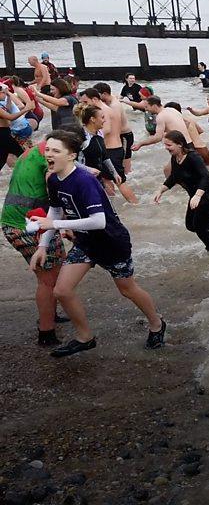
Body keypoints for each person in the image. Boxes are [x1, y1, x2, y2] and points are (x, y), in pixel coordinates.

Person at [31, 130, 165, 358]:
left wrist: (54, 223)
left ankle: (157, 323)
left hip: (112, 243)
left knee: (127, 289)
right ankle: (85, 337)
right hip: (85, 243)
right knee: (62, 290)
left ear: (72, 155)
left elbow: (99, 221)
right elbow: (55, 210)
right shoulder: (54, 179)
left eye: (56, 151)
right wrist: (43, 245)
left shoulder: (85, 181)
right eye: (48, 150)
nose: (49, 155)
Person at [2, 141, 65, 346]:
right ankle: (46, 332)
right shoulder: (51, 160)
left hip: (24, 220)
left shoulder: (33, 151)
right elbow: (56, 195)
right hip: (26, 224)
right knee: (47, 279)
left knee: (58, 268)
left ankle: (51, 314)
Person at [154, 130, 209, 253]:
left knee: (200, 227)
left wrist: (197, 195)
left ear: (179, 144)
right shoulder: (175, 158)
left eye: (169, 145)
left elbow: (205, 176)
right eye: (165, 145)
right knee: (191, 225)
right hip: (196, 196)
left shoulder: (193, 157)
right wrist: (161, 190)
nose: (166, 148)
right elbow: (174, 176)